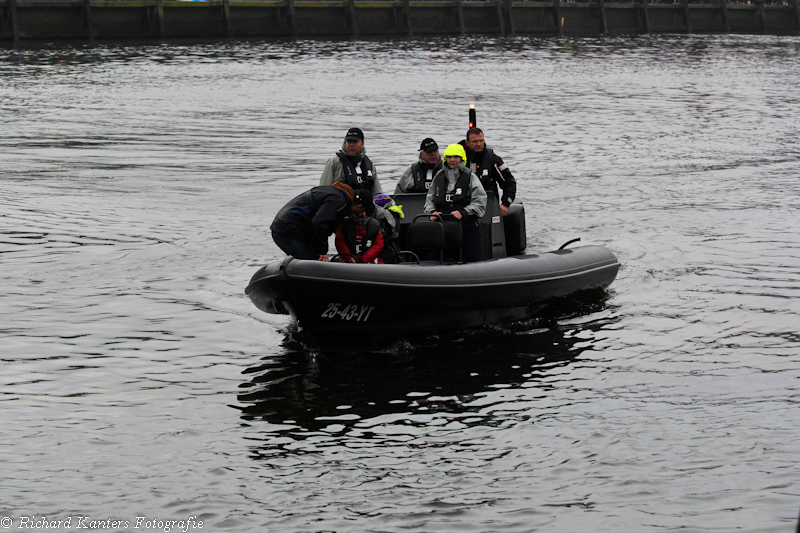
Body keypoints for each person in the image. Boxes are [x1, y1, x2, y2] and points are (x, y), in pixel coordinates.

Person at [270, 183, 374, 262]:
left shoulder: (339, 194)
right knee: (312, 262)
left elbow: (328, 225)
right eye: (362, 211)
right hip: (287, 230)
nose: (362, 214)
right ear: (359, 206)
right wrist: (323, 251)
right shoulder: (339, 201)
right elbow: (319, 223)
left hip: (292, 227)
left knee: (313, 258)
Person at [424, 143, 487, 263]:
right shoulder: (438, 177)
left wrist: (464, 213)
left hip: (466, 224)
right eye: (449, 157)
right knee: (436, 257)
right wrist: (432, 212)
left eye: (455, 157)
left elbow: (480, 201)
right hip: (443, 225)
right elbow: (429, 200)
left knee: (474, 258)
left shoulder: (471, 177)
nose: (452, 160)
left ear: (461, 159)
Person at [460, 127, 516, 216]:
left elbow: (509, 182)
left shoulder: (493, 159)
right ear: (467, 143)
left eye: (481, 140)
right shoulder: (457, 159)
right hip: (464, 208)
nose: (479, 144)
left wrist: (505, 204)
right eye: (475, 141)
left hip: (488, 207)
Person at [320, 127, 389, 199]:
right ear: (345, 143)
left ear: (362, 144)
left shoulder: (369, 165)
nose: (351, 145)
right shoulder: (334, 162)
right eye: (349, 142)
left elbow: (377, 193)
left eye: (355, 142)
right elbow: (323, 191)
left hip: (365, 207)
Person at [334, 199, 385, 264]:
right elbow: (340, 241)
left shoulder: (375, 226)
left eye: (365, 211)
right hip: (348, 260)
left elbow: (378, 245)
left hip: (368, 260)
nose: (364, 214)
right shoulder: (345, 225)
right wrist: (348, 257)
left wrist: (364, 258)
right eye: (361, 212)